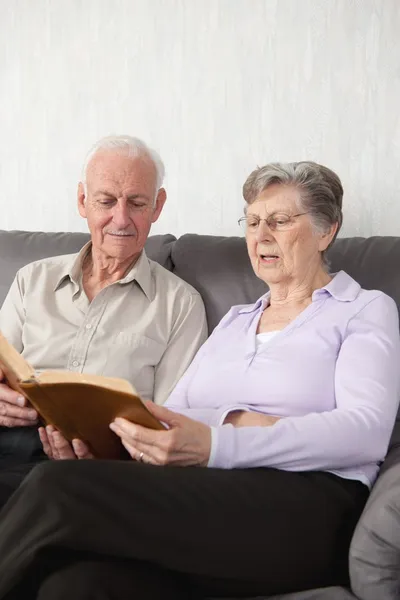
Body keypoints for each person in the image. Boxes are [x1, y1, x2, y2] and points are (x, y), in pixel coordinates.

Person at [0, 161, 398, 600]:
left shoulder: (363, 309)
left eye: (280, 221)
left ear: (326, 231)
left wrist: (218, 442)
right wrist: (108, 452)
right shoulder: (235, 320)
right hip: (209, 492)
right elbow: (173, 415)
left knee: (55, 488)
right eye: (251, 222)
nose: (261, 235)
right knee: (75, 583)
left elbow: (364, 431)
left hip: (307, 505)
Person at [0, 135, 207, 506]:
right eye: (106, 201)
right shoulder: (32, 280)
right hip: (10, 442)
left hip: (99, 469)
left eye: (137, 203)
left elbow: (170, 426)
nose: (121, 219)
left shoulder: (181, 304)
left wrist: (107, 456)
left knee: (46, 493)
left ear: (158, 205)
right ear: (83, 201)